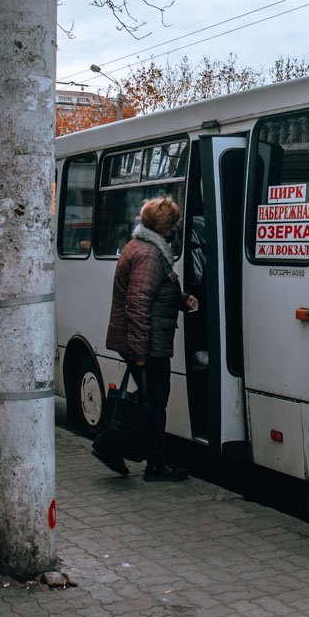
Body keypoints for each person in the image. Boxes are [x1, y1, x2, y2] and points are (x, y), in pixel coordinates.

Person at [95, 196, 198, 481]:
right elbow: (138, 304)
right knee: (155, 403)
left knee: (148, 402)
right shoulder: (150, 254)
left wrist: (181, 299)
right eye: (174, 224)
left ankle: (123, 450)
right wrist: (140, 352)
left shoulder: (142, 247)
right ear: (164, 226)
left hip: (147, 341)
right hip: (148, 344)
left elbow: (151, 293)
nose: (176, 229)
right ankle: (151, 463)